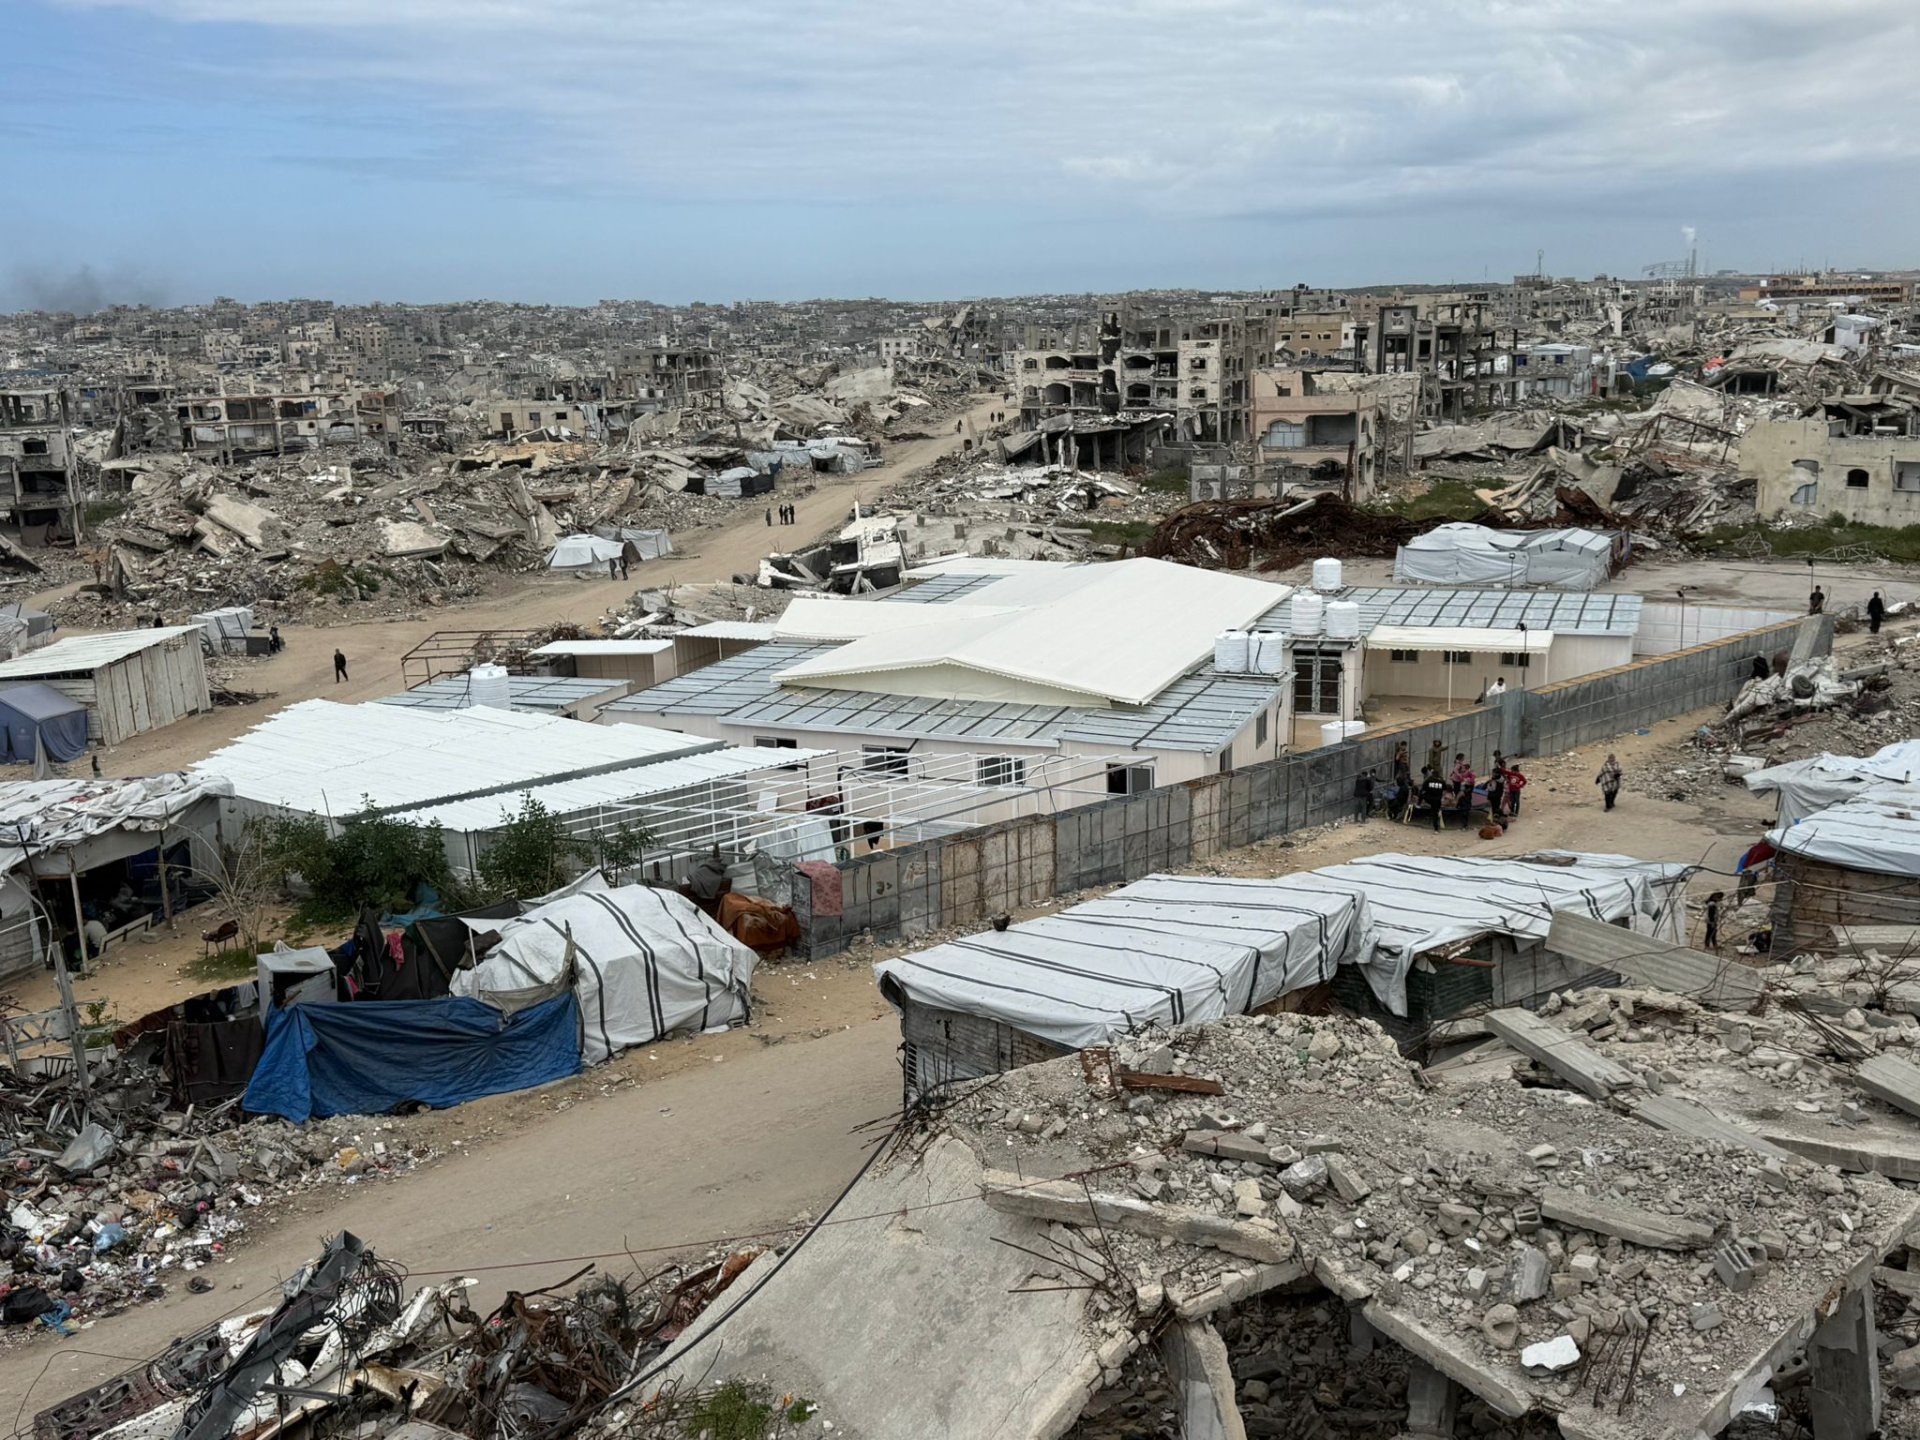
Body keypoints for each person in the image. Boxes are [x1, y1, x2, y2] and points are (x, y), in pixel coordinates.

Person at [1450, 753, 1476, 829]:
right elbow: (1456, 771)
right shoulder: (1461, 768)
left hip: (1465, 790)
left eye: (1463, 768)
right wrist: (1458, 776)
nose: (1462, 769)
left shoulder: (1467, 775)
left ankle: (1465, 825)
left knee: (1463, 801)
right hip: (1463, 787)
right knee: (1460, 794)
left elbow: (1469, 782)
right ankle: (1460, 805)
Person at [1420, 766, 1447, 831]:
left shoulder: (1428, 780)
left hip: (1429, 799)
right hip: (1437, 799)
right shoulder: (1442, 781)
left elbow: (1423, 789)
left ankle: (1419, 803)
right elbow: (1445, 790)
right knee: (1435, 812)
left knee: (1421, 793)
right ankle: (1436, 828)